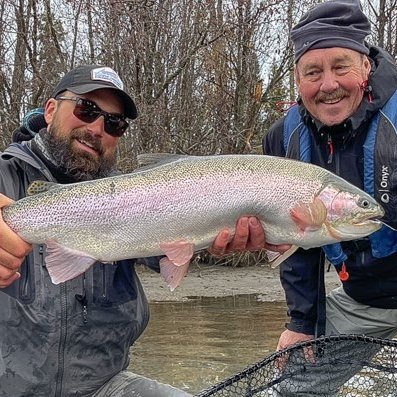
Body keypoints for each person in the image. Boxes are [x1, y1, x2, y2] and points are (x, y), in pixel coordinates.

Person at [0, 65, 279, 397]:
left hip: (105, 387)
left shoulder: (137, 198)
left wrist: (217, 229)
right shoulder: (6, 175)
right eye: (86, 109)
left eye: (114, 123)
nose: (96, 128)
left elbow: (175, 245)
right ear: (50, 110)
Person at [263, 0, 397, 394]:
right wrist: (301, 322)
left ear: (366, 67)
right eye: (313, 72)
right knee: (293, 385)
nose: (328, 85)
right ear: (297, 78)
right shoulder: (282, 137)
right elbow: (296, 240)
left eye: (341, 67)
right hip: (361, 300)